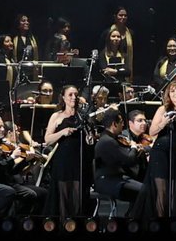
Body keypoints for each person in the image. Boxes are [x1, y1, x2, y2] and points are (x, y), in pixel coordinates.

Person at [44, 84, 90, 218]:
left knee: (78, 194)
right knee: (63, 193)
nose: (73, 97)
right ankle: (63, 224)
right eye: (70, 94)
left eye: (76, 94)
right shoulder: (56, 116)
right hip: (63, 160)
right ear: (63, 97)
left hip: (79, 159)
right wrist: (62, 132)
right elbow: (47, 139)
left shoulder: (82, 116)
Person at [93, 109, 148, 220]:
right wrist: (133, 147)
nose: (123, 124)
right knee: (145, 191)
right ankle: (132, 220)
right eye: (121, 122)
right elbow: (129, 160)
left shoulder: (110, 139)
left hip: (115, 179)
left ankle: (133, 216)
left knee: (144, 191)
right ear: (114, 124)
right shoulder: (107, 141)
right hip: (108, 181)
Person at [148, 81, 176, 218]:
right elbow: (152, 132)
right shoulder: (163, 109)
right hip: (161, 153)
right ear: (168, 94)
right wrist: (163, 123)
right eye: (173, 91)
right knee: (163, 192)